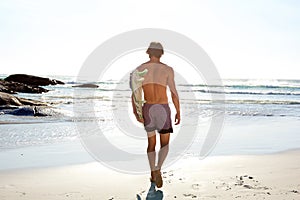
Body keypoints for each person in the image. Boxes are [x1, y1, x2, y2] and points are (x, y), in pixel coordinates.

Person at [131, 42, 181, 188]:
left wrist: (136, 111)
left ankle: (153, 171)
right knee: (164, 144)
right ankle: (158, 167)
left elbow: (134, 93)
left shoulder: (140, 69)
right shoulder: (167, 70)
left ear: (148, 52)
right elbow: (173, 92)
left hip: (148, 108)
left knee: (151, 144)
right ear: (161, 53)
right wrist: (178, 110)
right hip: (163, 109)